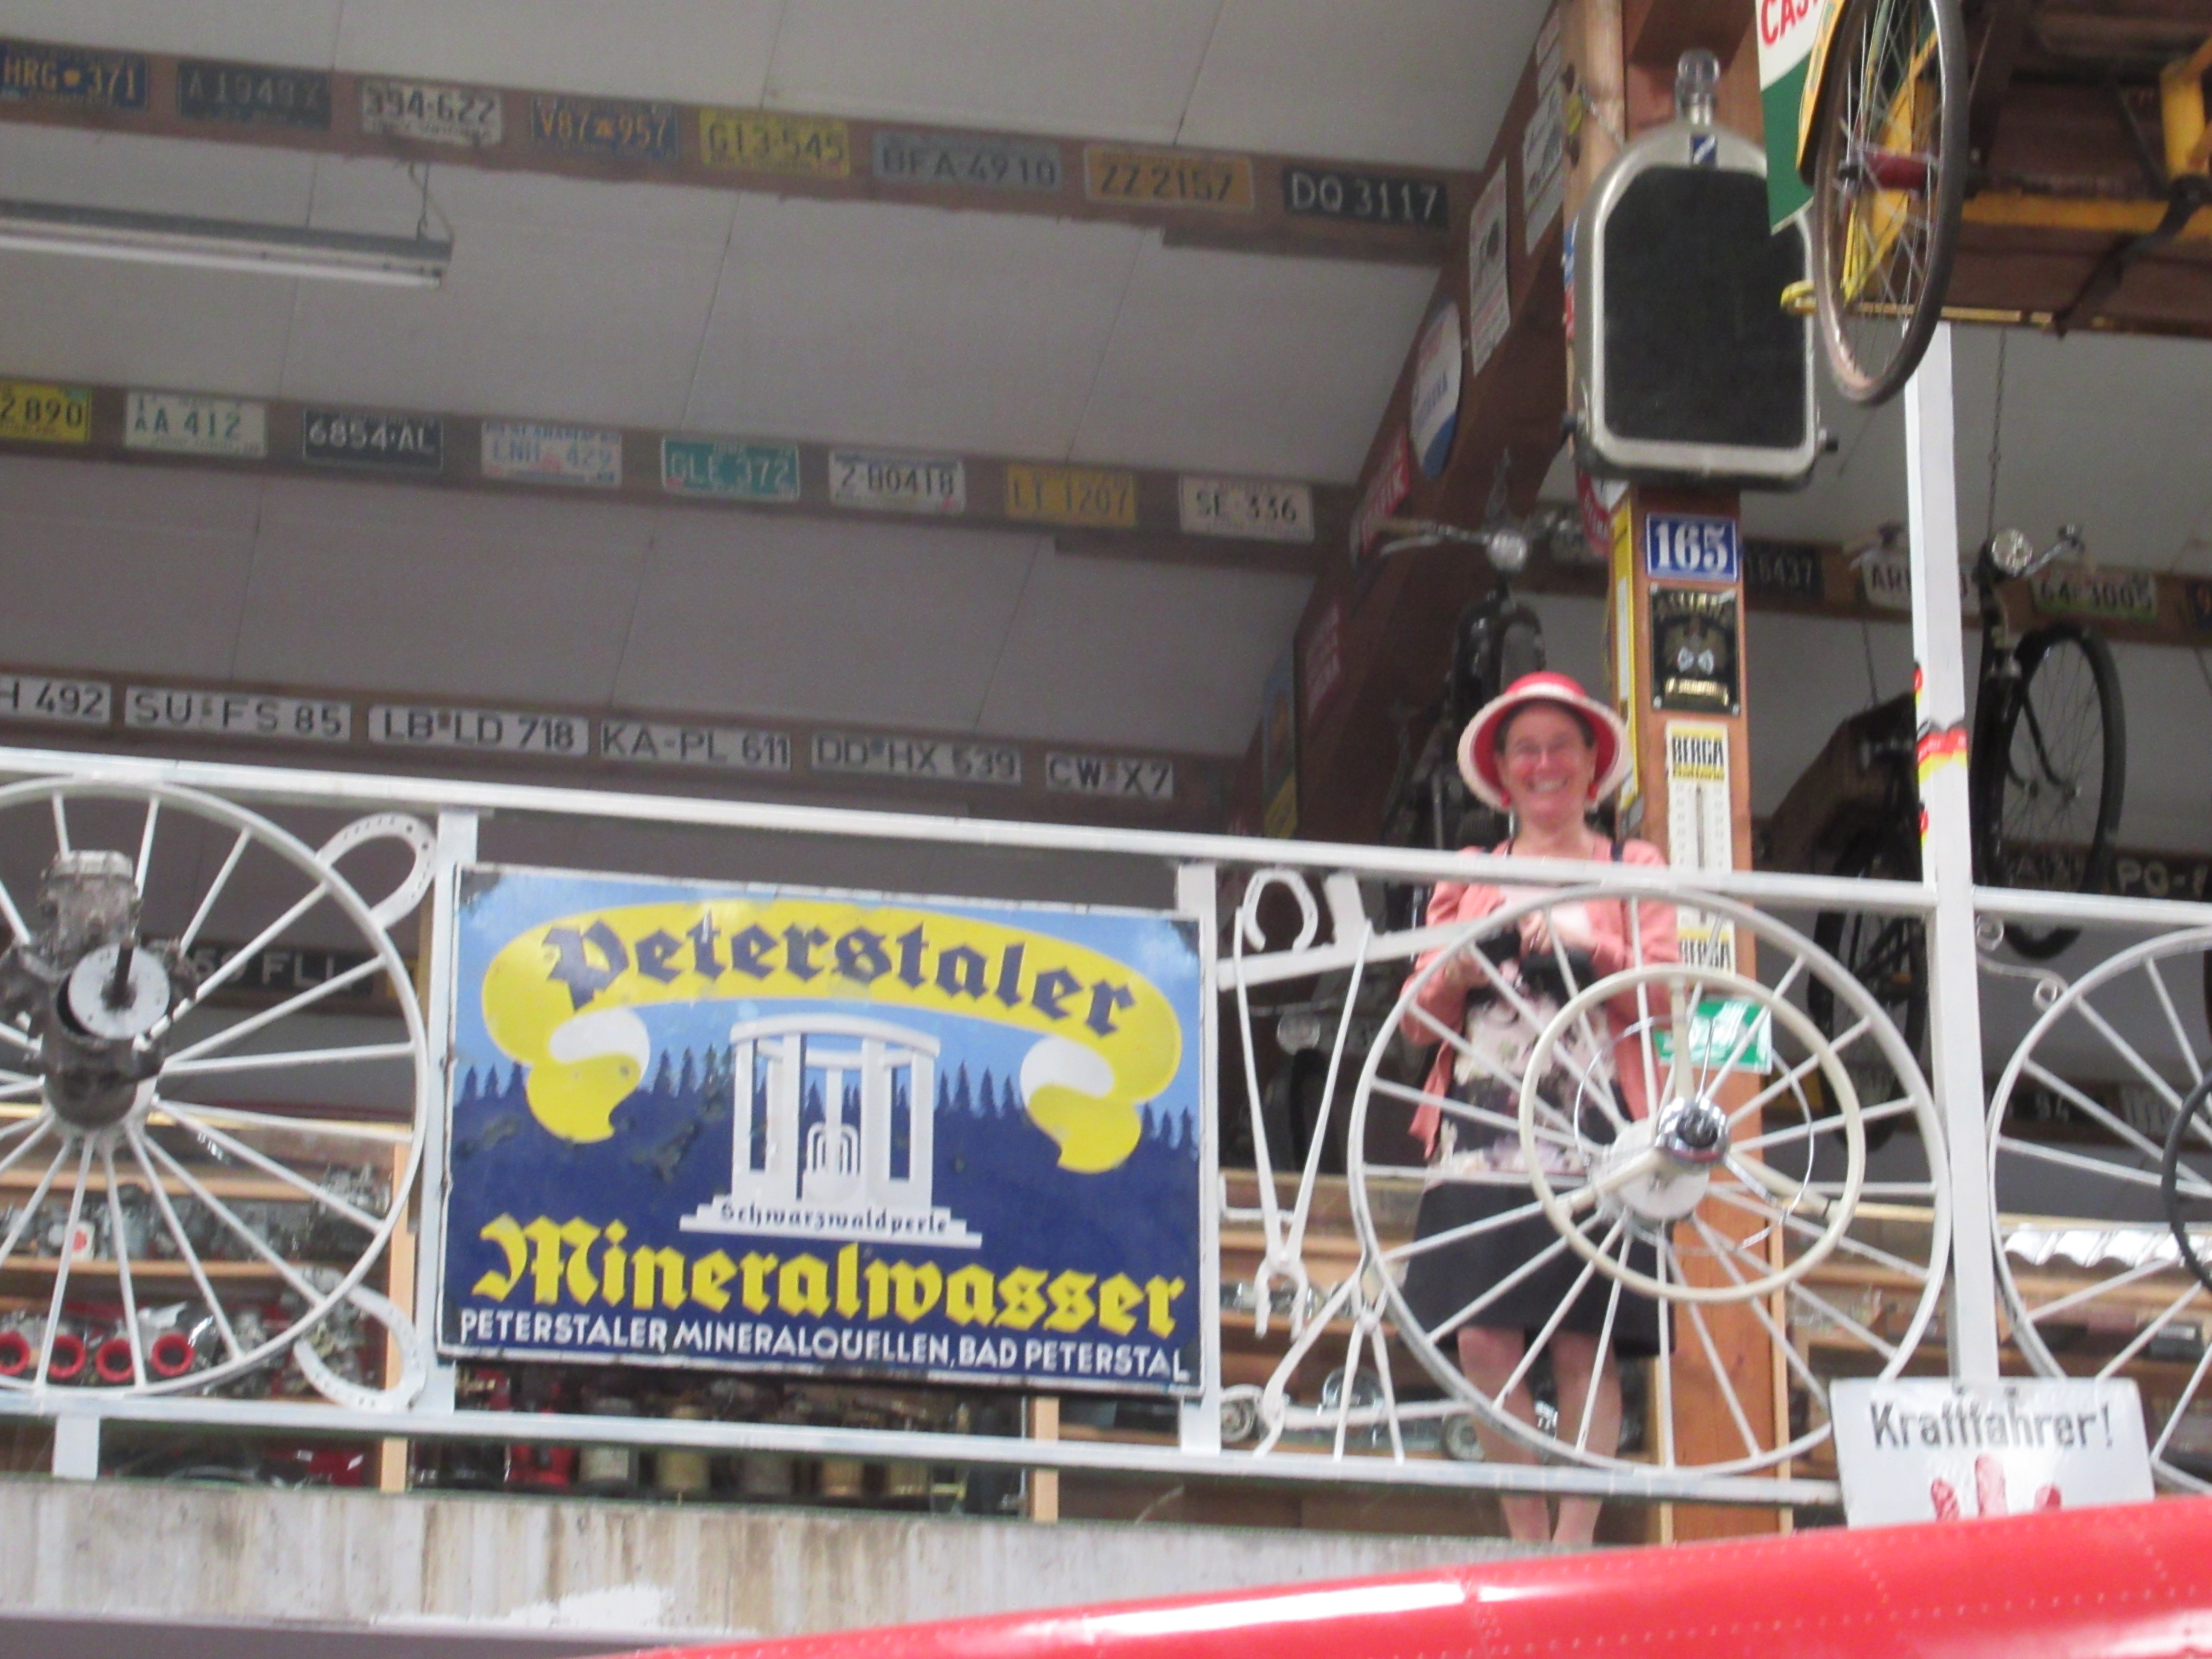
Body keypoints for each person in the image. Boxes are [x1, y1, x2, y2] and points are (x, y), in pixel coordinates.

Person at [1397, 670, 1676, 1546]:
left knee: (1583, 1338)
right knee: (1482, 1339)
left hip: (1597, 1122)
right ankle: (1528, 1537)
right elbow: (1415, 1025)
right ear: (1502, 771)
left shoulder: (1633, 867)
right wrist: (1457, 970)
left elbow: (1666, 998)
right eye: (1526, 750)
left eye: (1561, 747)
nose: (1544, 764)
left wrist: (1586, 947)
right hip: (1483, 1120)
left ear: (1593, 764)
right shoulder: (1471, 873)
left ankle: (1574, 1542)